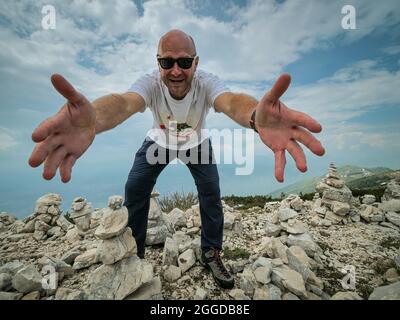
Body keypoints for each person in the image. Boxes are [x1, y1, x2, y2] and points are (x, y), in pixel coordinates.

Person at [28, 29, 325, 289]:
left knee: (211, 193)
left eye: (184, 62)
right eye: (166, 62)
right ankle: (134, 252)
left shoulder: (207, 83)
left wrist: (255, 116)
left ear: (196, 63)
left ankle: (212, 252)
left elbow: (231, 101)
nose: (176, 71)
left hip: (196, 142)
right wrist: (93, 118)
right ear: (157, 63)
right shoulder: (150, 83)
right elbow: (124, 103)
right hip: (159, 141)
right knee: (135, 189)